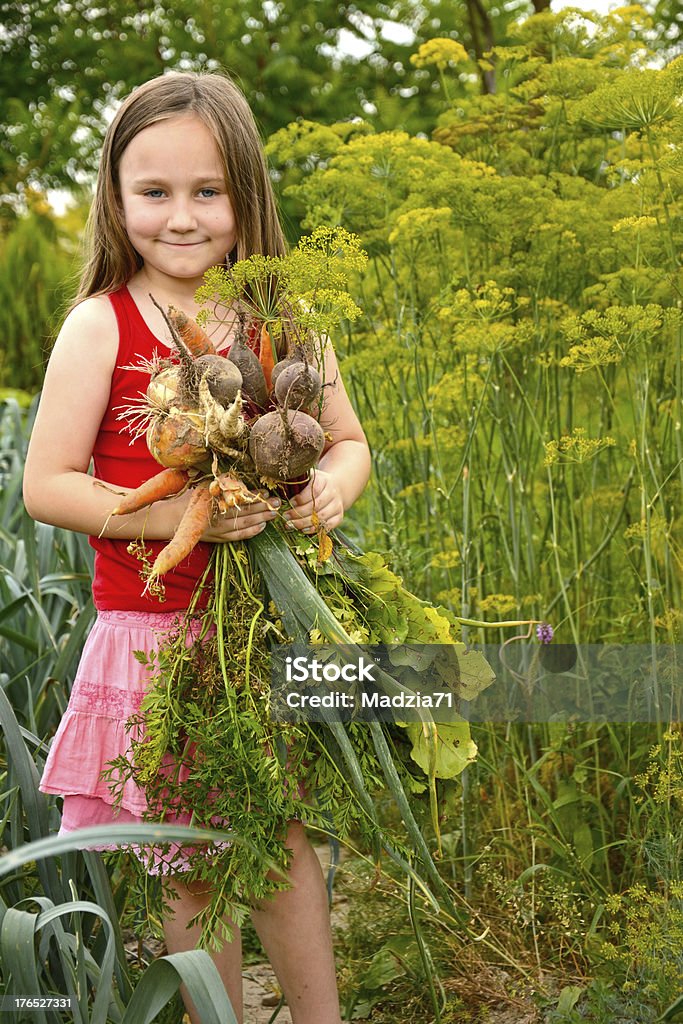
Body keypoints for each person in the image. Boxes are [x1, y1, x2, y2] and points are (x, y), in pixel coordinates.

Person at [23, 70, 370, 1024]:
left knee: (284, 848)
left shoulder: (280, 321)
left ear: (246, 194)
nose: (181, 217)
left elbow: (348, 439)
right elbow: (47, 484)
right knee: (187, 863)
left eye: (207, 191)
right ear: (116, 197)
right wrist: (184, 521)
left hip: (261, 642)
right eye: (155, 193)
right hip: (155, 637)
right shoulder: (101, 326)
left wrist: (331, 487)